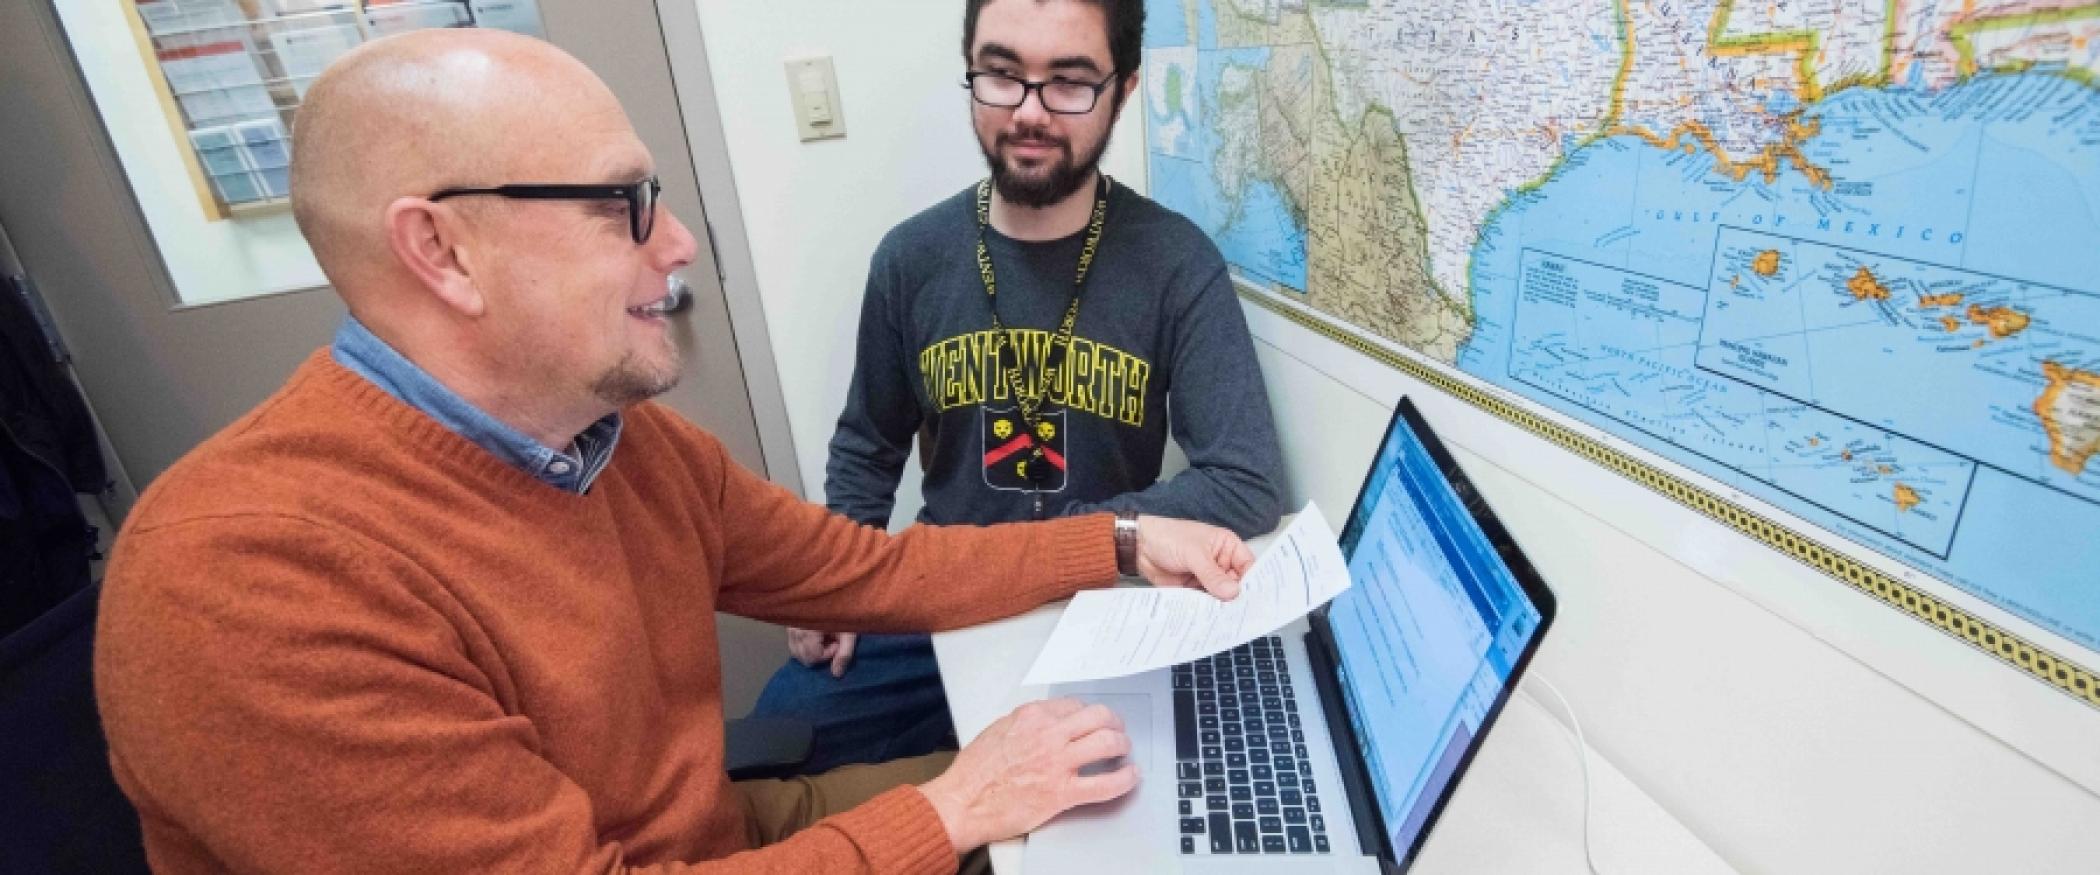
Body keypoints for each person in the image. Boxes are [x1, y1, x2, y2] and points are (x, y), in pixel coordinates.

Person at [91, 28, 1257, 874]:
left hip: (731, 835)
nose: (681, 242)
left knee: (1127, 813)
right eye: (621, 205)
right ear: (442, 250)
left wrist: (1119, 535)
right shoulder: (245, 582)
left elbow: (876, 571)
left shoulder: (622, 445)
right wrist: (952, 810)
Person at [751, 0, 1284, 773]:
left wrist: (1092, 539)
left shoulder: (1176, 263)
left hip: (1101, 600)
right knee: (779, 738)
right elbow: (868, 446)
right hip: (940, 591)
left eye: (1068, 83)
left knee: (1119, 802)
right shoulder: (910, 259)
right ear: (970, 72)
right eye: (1003, 75)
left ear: (1124, 90)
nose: (1029, 112)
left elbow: (1246, 478)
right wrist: (835, 584)